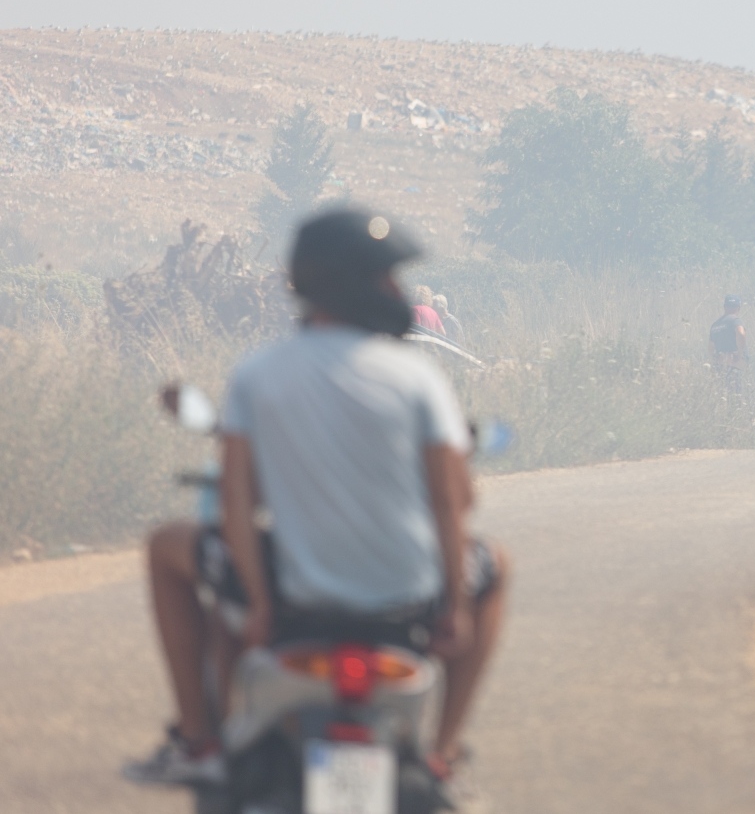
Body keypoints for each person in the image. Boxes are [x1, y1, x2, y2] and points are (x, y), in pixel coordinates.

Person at [125, 209, 509, 792]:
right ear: (356, 283)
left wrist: (256, 604)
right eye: (387, 277)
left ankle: (199, 742)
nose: (397, 291)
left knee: (164, 547)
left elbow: (236, 504)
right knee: (497, 564)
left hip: (292, 601)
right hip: (409, 604)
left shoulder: (260, 373)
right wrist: (452, 607)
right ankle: (443, 752)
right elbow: (454, 503)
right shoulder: (417, 377)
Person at [708, 295, 748, 393]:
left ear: (725, 307)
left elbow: (710, 348)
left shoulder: (715, 325)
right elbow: (741, 334)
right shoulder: (735, 320)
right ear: (738, 308)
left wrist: (715, 361)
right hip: (733, 365)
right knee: (735, 397)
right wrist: (740, 353)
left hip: (718, 367)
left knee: (721, 395)